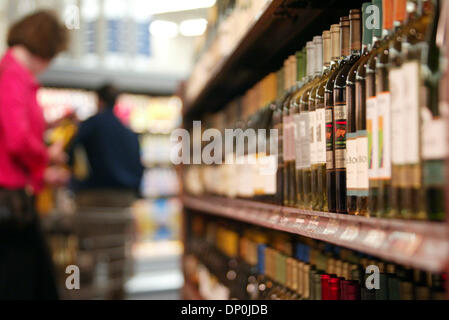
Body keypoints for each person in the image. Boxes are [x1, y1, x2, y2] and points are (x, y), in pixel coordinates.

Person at [0, 11, 68, 300]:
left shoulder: (12, 73)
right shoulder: (14, 76)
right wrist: (47, 156)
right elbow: (17, 140)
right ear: (46, 46)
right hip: (11, 202)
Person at [69, 84, 144, 203]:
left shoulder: (91, 125)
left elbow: (71, 151)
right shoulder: (127, 131)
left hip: (94, 192)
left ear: (98, 101)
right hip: (126, 194)